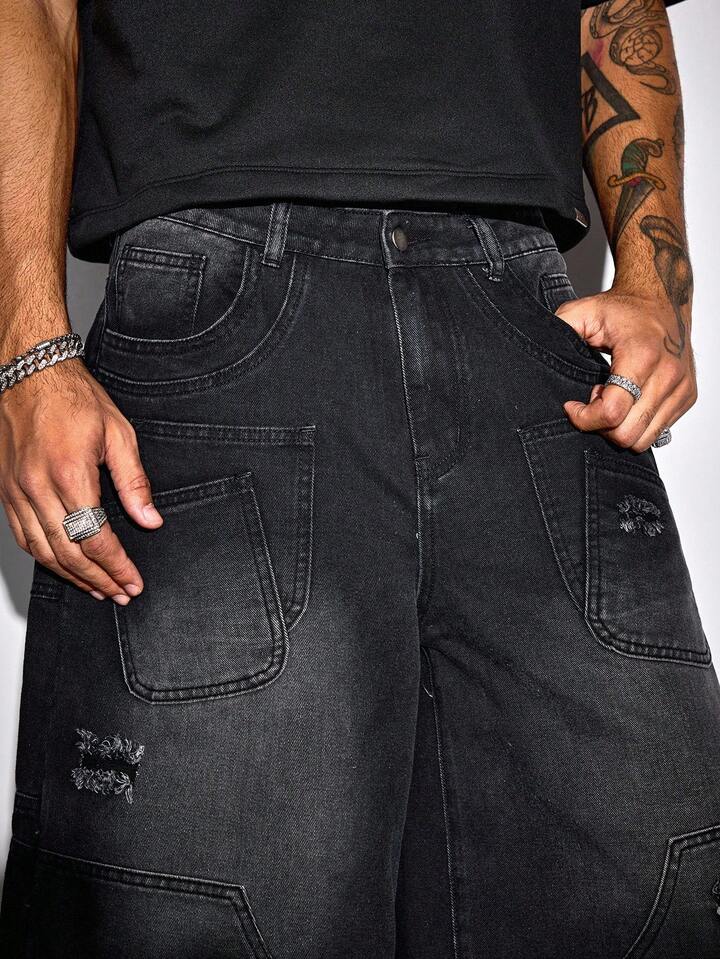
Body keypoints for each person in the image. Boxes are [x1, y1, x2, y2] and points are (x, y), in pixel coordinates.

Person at [0, 0, 717, 956]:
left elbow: (617, 9)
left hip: (529, 316)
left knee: (637, 899)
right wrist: (27, 349)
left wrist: (659, 281)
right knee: (195, 909)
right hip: (217, 304)